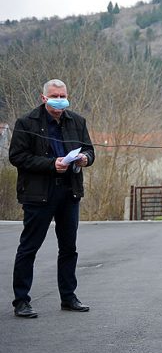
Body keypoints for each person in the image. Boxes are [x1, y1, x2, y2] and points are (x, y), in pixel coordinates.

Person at [8, 79, 95, 318]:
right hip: (39, 194)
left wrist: (85, 158)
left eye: (63, 94)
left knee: (69, 248)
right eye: (55, 95)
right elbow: (17, 156)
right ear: (44, 97)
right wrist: (50, 165)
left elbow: (89, 150)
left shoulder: (77, 121)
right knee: (29, 247)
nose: (60, 99)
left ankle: (68, 297)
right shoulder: (27, 122)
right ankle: (21, 301)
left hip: (69, 191)